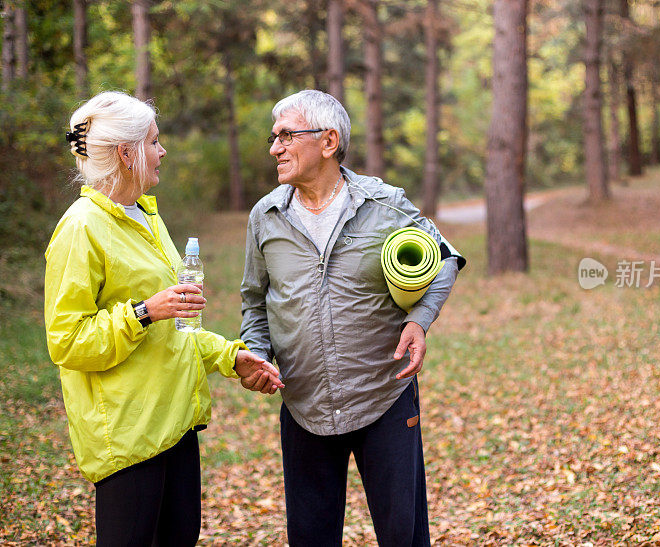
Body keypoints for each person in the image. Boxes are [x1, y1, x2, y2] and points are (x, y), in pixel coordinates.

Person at [44, 90, 283, 546]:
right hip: (129, 434)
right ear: (126, 153)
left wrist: (231, 357)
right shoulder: (81, 229)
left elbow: (176, 325)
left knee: (180, 537)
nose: (163, 151)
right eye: (154, 141)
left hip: (174, 422)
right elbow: (68, 342)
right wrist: (142, 312)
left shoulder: (148, 218)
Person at [239, 89, 465, 546]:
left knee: (404, 536)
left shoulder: (383, 204)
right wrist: (256, 353)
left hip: (385, 396)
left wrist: (420, 319)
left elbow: (445, 257)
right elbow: (254, 300)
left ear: (327, 141)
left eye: (286, 135)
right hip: (303, 404)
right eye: (273, 136)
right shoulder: (266, 216)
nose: (274, 148)